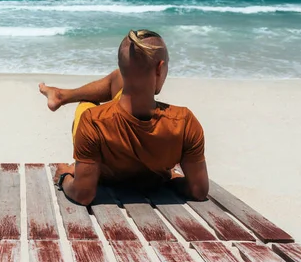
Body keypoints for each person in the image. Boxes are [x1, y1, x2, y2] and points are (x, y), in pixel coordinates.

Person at [39, 29, 209, 205]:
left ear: (120, 65)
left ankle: (62, 96)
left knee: (86, 103)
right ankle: (61, 95)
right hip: (153, 175)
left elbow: (82, 194)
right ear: (160, 68)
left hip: (105, 152)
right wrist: (171, 178)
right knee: (119, 81)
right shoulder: (184, 121)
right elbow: (199, 190)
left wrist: (64, 176)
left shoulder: (92, 120)